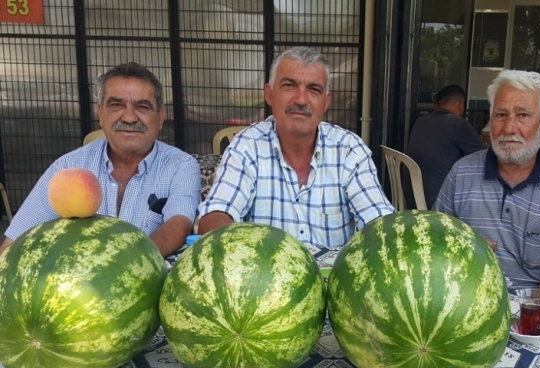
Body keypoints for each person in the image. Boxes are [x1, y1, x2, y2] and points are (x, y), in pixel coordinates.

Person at [198, 46, 393, 248]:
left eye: (314, 89)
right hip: (264, 276)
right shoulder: (247, 146)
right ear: (269, 94)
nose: (300, 99)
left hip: (332, 277)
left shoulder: (349, 150)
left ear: (326, 103)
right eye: (289, 85)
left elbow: (379, 223)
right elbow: (214, 216)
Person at [0, 62, 201, 257]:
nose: (129, 118)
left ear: (160, 117)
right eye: (116, 105)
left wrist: (132, 264)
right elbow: (14, 244)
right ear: (100, 113)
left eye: (143, 106)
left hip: (150, 281)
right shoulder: (69, 168)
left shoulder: (180, 166)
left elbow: (179, 223)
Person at [433, 70, 540, 311]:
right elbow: (436, 239)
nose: (509, 128)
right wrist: (465, 245)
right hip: (462, 304)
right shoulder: (462, 172)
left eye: (523, 115)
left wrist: (530, 316)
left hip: (530, 306)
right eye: (501, 114)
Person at [405, 85, 486, 208]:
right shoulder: (458, 124)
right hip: (440, 202)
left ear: (436, 105)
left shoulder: (420, 121)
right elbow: (485, 157)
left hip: (412, 197)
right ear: (460, 104)